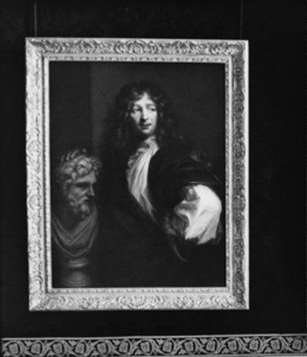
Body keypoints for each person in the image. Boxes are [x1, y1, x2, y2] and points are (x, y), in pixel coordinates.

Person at [96, 80, 224, 287]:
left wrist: (176, 230)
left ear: (160, 113)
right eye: (135, 110)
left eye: (151, 108)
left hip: (166, 265)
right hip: (132, 265)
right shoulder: (123, 159)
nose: (144, 117)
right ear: (124, 117)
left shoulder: (171, 155)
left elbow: (209, 205)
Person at [51, 148, 102, 288]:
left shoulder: (96, 218)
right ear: (63, 188)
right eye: (82, 186)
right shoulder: (49, 222)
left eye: (93, 186)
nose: (92, 193)